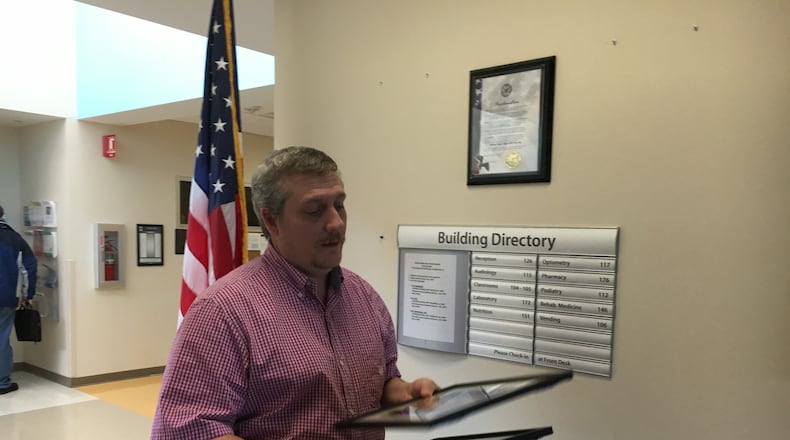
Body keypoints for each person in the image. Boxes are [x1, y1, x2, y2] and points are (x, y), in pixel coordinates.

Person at [151, 147, 438, 439]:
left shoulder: (364, 297)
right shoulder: (223, 312)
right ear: (272, 221)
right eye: (315, 210)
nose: (336, 223)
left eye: (339, 205)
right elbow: (189, 431)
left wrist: (404, 394)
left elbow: (383, 380)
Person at [0, 205, 37, 395]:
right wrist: (27, 295)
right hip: (6, 297)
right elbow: (28, 267)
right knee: (1, 339)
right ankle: (2, 383)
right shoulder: (14, 239)